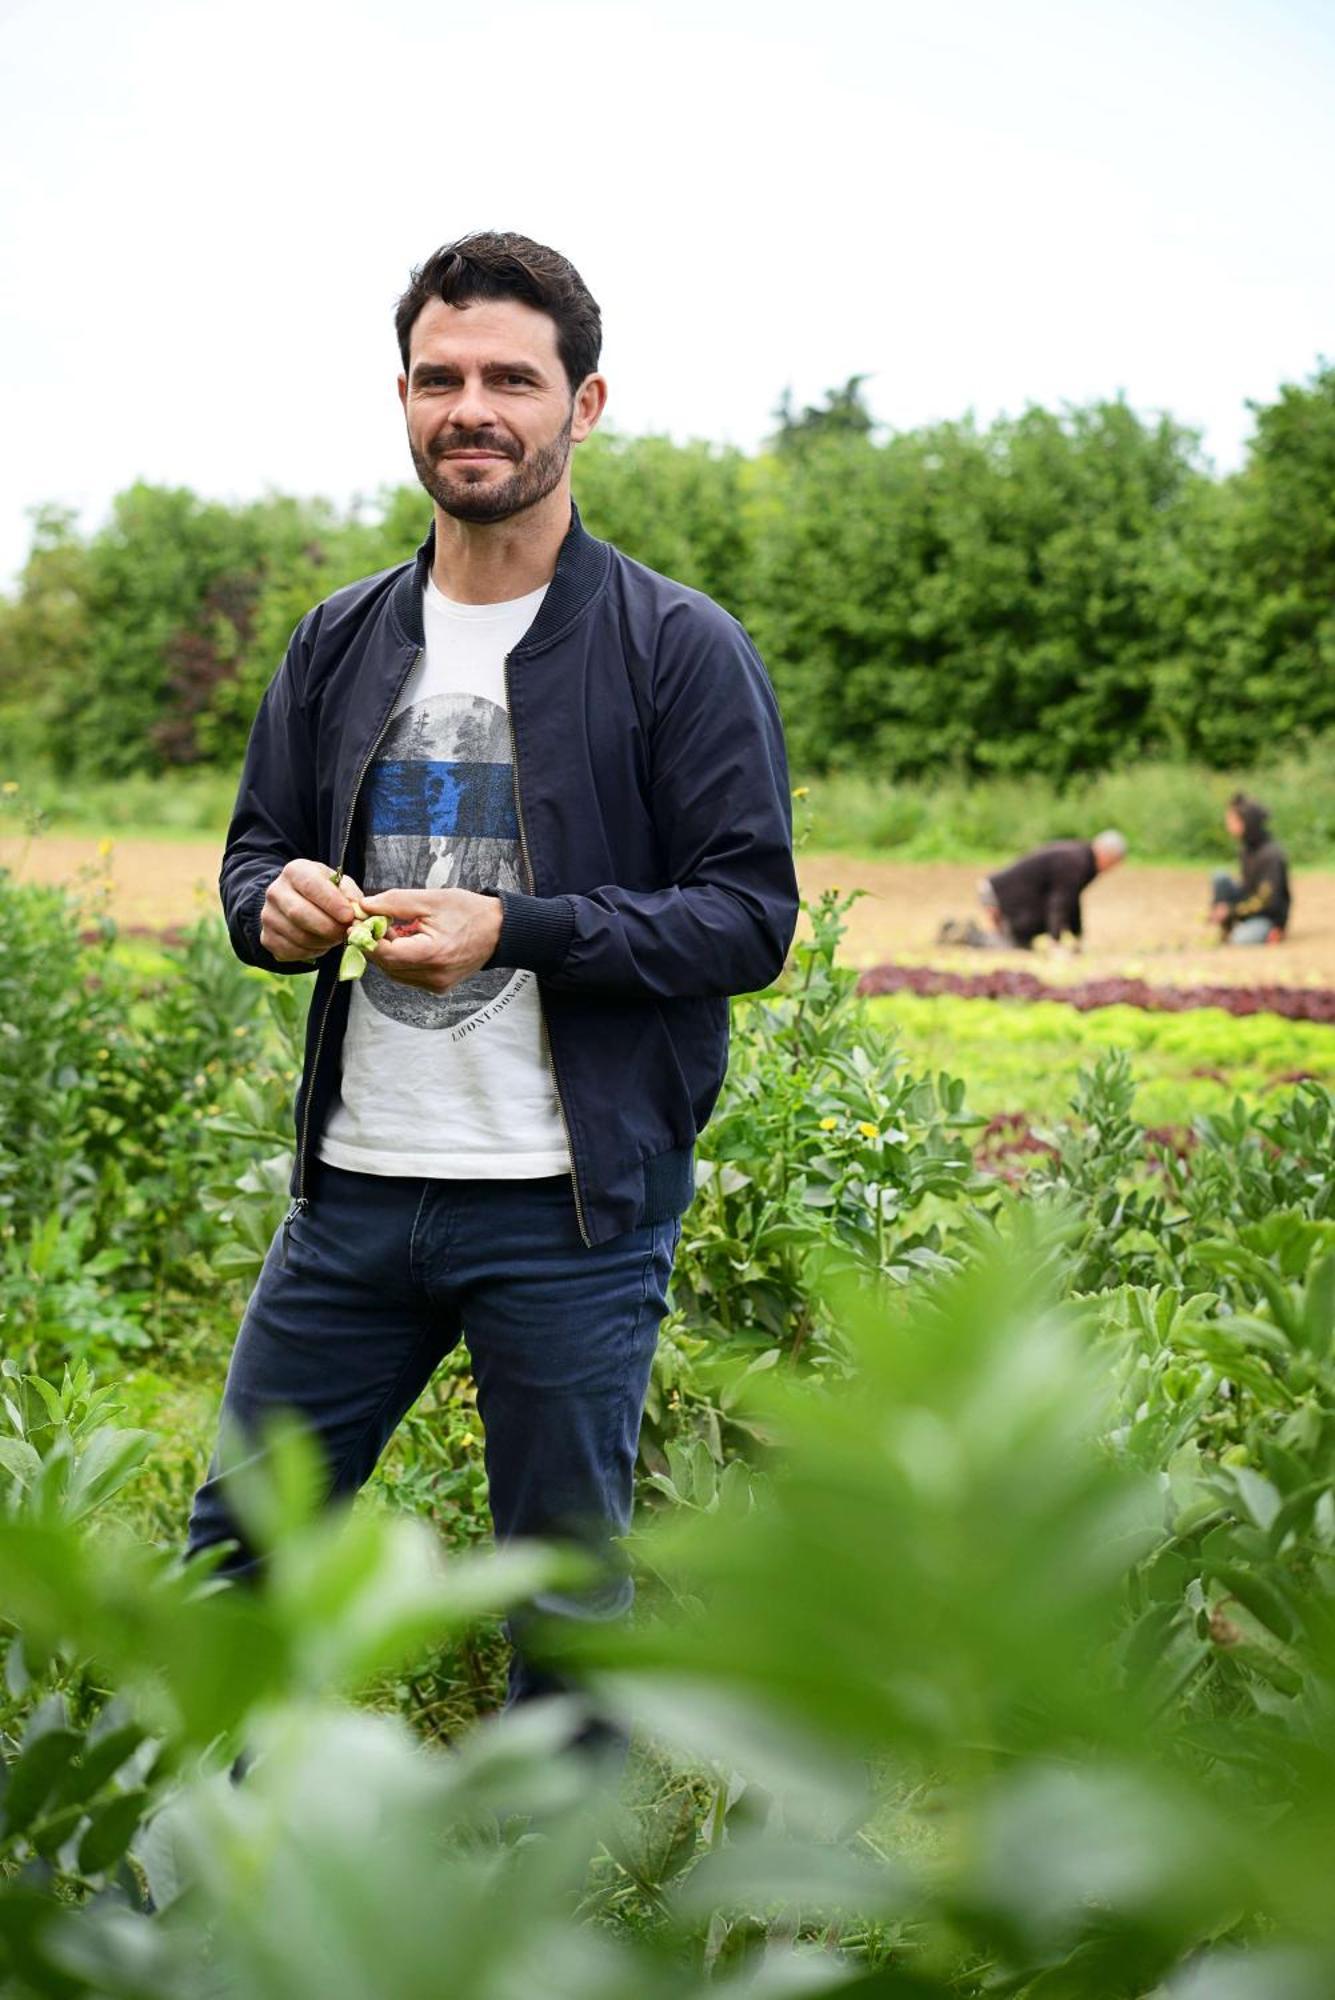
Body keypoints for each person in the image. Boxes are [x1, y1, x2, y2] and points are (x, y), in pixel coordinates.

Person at [186, 232, 800, 1709]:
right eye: (439, 377)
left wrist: (515, 930)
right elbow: (252, 854)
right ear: (401, 396)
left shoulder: (675, 649)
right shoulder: (337, 641)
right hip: (350, 1198)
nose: (473, 408)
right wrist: (271, 907)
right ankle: (191, 1886)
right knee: (233, 1566)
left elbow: (743, 918)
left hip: (567, 1215)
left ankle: (563, 1915)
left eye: (510, 380)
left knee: (563, 1607)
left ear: (582, 405)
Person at [938, 830, 1126, 950]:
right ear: (1106, 854)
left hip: (1009, 895)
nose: (1112, 869)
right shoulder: (1076, 862)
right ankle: (964, 934)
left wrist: (1077, 937)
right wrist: (1056, 944)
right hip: (1000, 895)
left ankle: (971, 933)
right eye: (1114, 863)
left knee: (1023, 944)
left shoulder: (1083, 860)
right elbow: (1060, 900)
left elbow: (1072, 900)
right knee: (1012, 946)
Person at [1210, 793, 1290, 944]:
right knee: (1220, 877)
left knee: (1241, 939)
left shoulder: (1271, 855)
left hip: (1268, 914)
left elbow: (1267, 900)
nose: (1227, 824)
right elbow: (1247, 887)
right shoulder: (1246, 850)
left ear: (1246, 822)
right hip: (1249, 905)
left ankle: (1274, 931)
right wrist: (1220, 907)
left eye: (1232, 820)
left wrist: (1232, 911)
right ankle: (1228, 925)